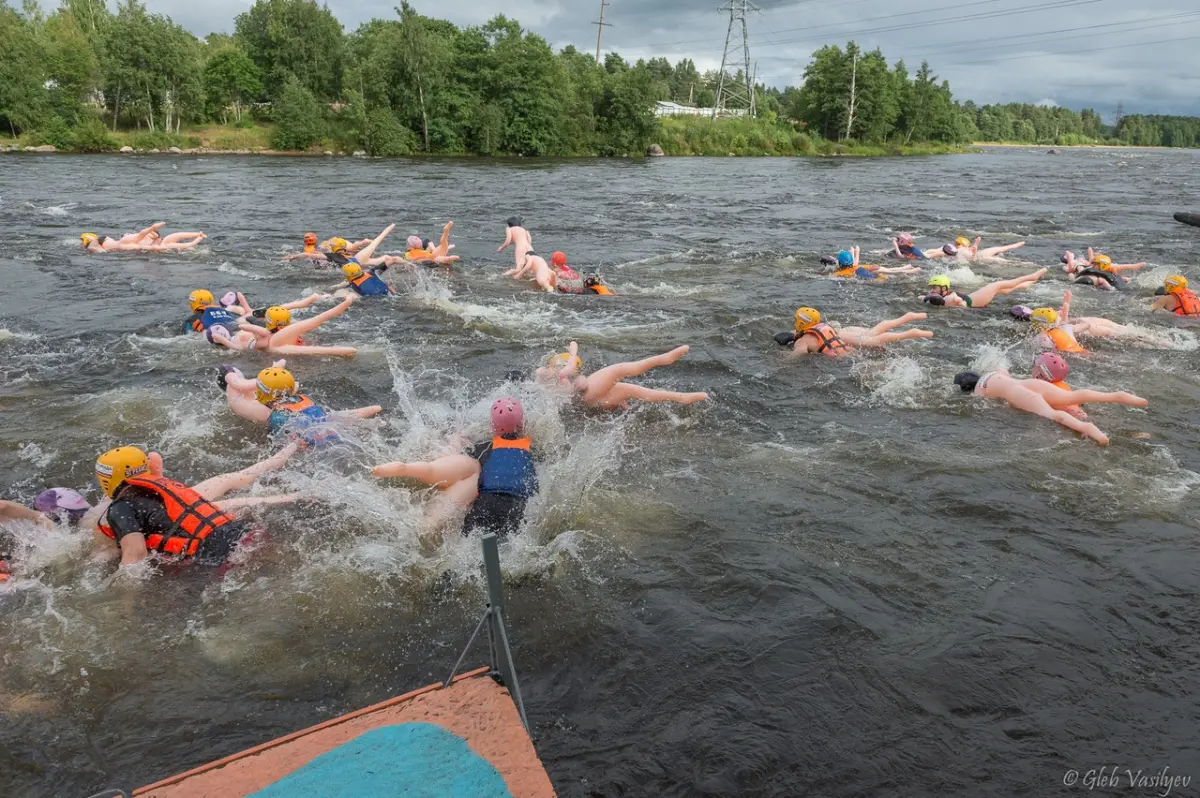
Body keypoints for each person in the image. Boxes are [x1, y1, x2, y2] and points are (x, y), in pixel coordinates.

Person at [93, 444, 302, 566]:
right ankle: (304, 489)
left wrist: (123, 600)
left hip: (225, 558)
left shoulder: (121, 508)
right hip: (250, 534)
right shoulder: (167, 489)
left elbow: (136, 556)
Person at [372, 397, 538, 542]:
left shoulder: (485, 447)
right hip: (517, 507)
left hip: (484, 505)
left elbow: (460, 459)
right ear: (523, 424)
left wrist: (457, 440)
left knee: (471, 542)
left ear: (492, 427)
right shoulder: (531, 449)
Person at [952, 369, 1147, 446]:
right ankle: (1118, 396)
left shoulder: (978, 390)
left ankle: (1089, 429)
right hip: (1028, 383)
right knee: (1072, 395)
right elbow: (1005, 371)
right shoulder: (992, 373)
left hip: (1019, 394)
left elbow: (996, 403)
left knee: (1053, 415)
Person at [220, 364, 382, 443]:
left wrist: (230, 375)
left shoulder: (265, 413)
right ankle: (376, 410)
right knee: (331, 418)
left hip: (305, 443)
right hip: (326, 428)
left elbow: (236, 400)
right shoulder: (302, 398)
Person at [536, 341, 708, 409]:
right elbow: (571, 366)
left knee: (631, 390)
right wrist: (573, 349)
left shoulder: (546, 382)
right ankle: (664, 359)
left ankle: (681, 397)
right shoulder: (560, 374)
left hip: (586, 403)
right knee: (620, 369)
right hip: (586, 396)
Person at [206, 295, 361, 358]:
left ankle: (344, 351)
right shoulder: (276, 330)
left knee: (315, 349)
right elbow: (319, 319)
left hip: (273, 346)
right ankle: (345, 304)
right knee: (315, 325)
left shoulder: (246, 333)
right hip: (274, 342)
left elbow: (242, 344)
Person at [776, 308, 933, 356]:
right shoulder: (821, 326)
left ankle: (910, 333)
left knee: (875, 339)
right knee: (874, 331)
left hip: (845, 337)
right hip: (843, 332)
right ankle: (908, 317)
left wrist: (780, 362)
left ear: (803, 322)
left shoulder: (804, 340)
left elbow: (798, 354)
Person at [923, 269, 1047, 309]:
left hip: (974, 300)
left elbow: (959, 302)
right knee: (1000, 287)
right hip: (976, 300)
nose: (932, 290)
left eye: (934, 288)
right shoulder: (942, 297)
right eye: (931, 288)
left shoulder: (951, 296)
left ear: (944, 288)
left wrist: (961, 303)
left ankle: (1032, 278)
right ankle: (1030, 280)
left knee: (1001, 287)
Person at [1031, 352, 1086, 420]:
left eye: (1034, 365)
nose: (1032, 367)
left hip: (1070, 414)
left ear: (1041, 374)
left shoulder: (1039, 387)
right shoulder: (1062, 385)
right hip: (1077, 412)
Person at [81, 223, 206, 253]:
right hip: (150, 246)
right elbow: (185, 243)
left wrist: (197, 237)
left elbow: (141, 234)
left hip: (129, 247)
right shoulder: (160, 244)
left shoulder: (124, 242)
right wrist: (198, 237)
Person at [826, 247, 921, 279]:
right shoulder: (854, 265)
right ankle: (906, 267)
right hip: (871, 269)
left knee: (892, 273)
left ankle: (909, 271)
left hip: (871, 274)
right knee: (891, 271)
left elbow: (832, 276)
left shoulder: (840, 273)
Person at [331, 262, 395, 297]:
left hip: (374, 300)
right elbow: (392, 260)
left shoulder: (353, 286)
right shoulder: (372, 273)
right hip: (390, 294)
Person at [944, 236, 1027, 261]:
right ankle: (1021, 243)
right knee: (1003, 248)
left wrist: (975, 248)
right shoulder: (964, 249)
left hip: (980, 257)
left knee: (1005, 261)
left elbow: (972, 258)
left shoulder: (958, 251)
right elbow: (972, 254)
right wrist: (975, 246)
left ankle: (1026, 264)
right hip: (983, 253)